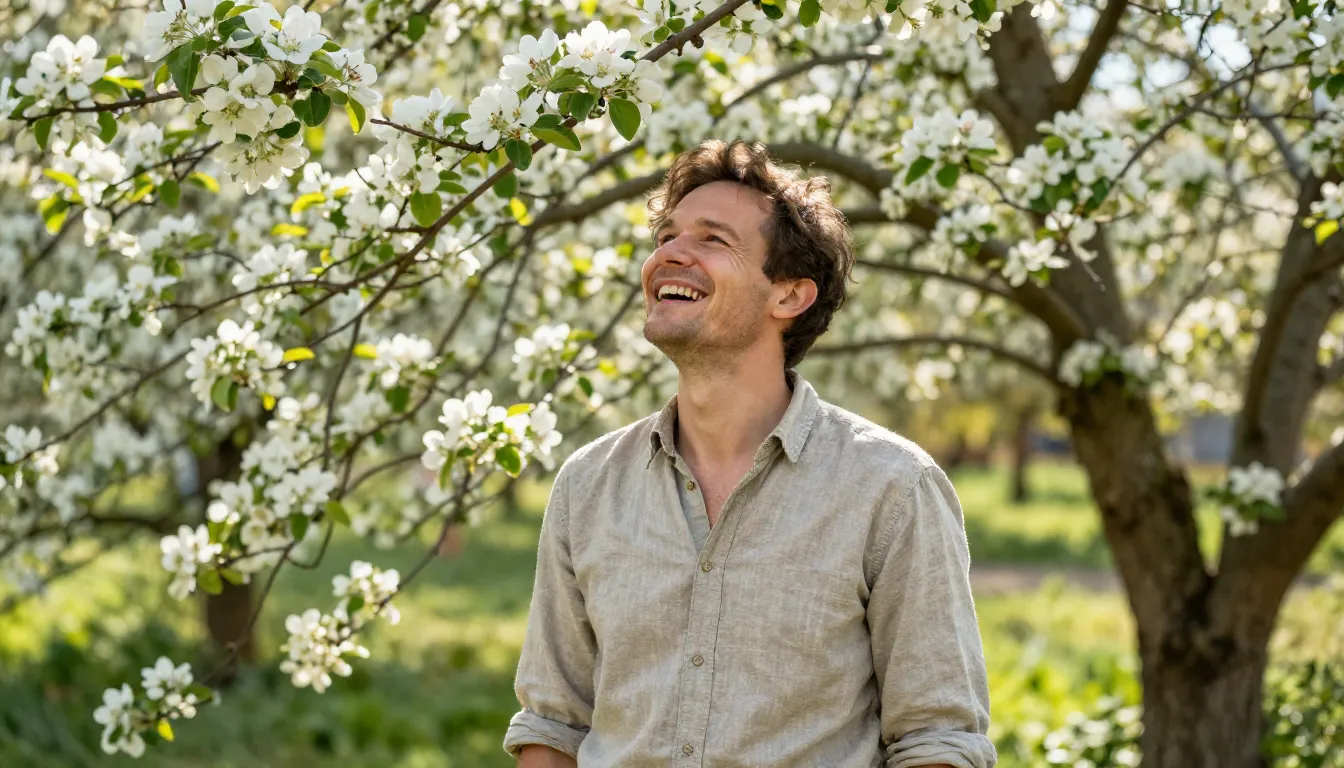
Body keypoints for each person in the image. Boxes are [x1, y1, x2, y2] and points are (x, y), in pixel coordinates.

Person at [503, 139, 995, 768]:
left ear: (789, 296)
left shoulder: (892, 488)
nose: (669, 255)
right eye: (666, 236)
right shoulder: (588, 484)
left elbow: (937, 741)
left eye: (712, 239)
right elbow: (552, 723)